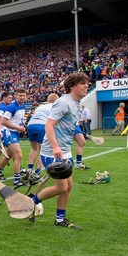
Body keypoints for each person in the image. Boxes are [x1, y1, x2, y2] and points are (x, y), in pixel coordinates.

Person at [30, 72, 90, 229]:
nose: (86, 86)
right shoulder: (63, 102)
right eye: (82, 83)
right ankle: (32, 202)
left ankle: (59, 219)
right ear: (72, 86)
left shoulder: (76, 104)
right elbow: (49, 125)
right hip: (52, 151)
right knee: (61, 187)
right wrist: (55, 147)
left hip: (65, 151)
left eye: (87, 83)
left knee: (68, 186)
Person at [1, 88, 28, 187]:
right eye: (20, 95)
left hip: (15, 132)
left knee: (9, 155)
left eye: (23, 95)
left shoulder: (23, 106)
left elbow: (18, 119)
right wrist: (18, 127)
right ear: (16, 96)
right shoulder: (12, 107)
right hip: (9, 132)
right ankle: (17, 180)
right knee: (18, 155)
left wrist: (22, 127)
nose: (22, 97)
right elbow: (3, 121)